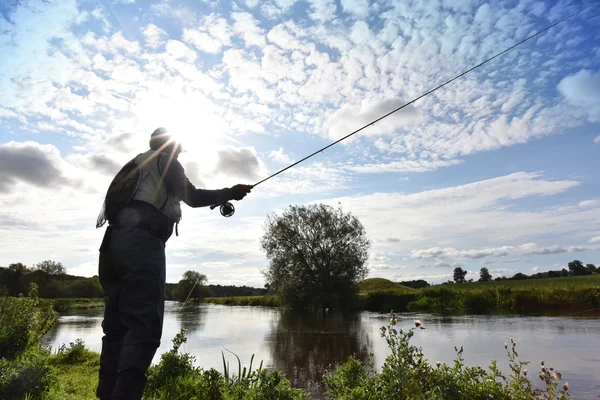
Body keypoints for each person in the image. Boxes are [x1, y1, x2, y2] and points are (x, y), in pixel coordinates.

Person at [96, 127, 252, 400]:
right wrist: (231, 191)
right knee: (144, 328)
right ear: (172, 148)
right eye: (179, 150)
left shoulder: (135, 164)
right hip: (142, 245)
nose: (180, 154)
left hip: (110, 246)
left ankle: (106, 395)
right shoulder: (166, 161)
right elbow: (190, 196)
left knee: (116, 329)